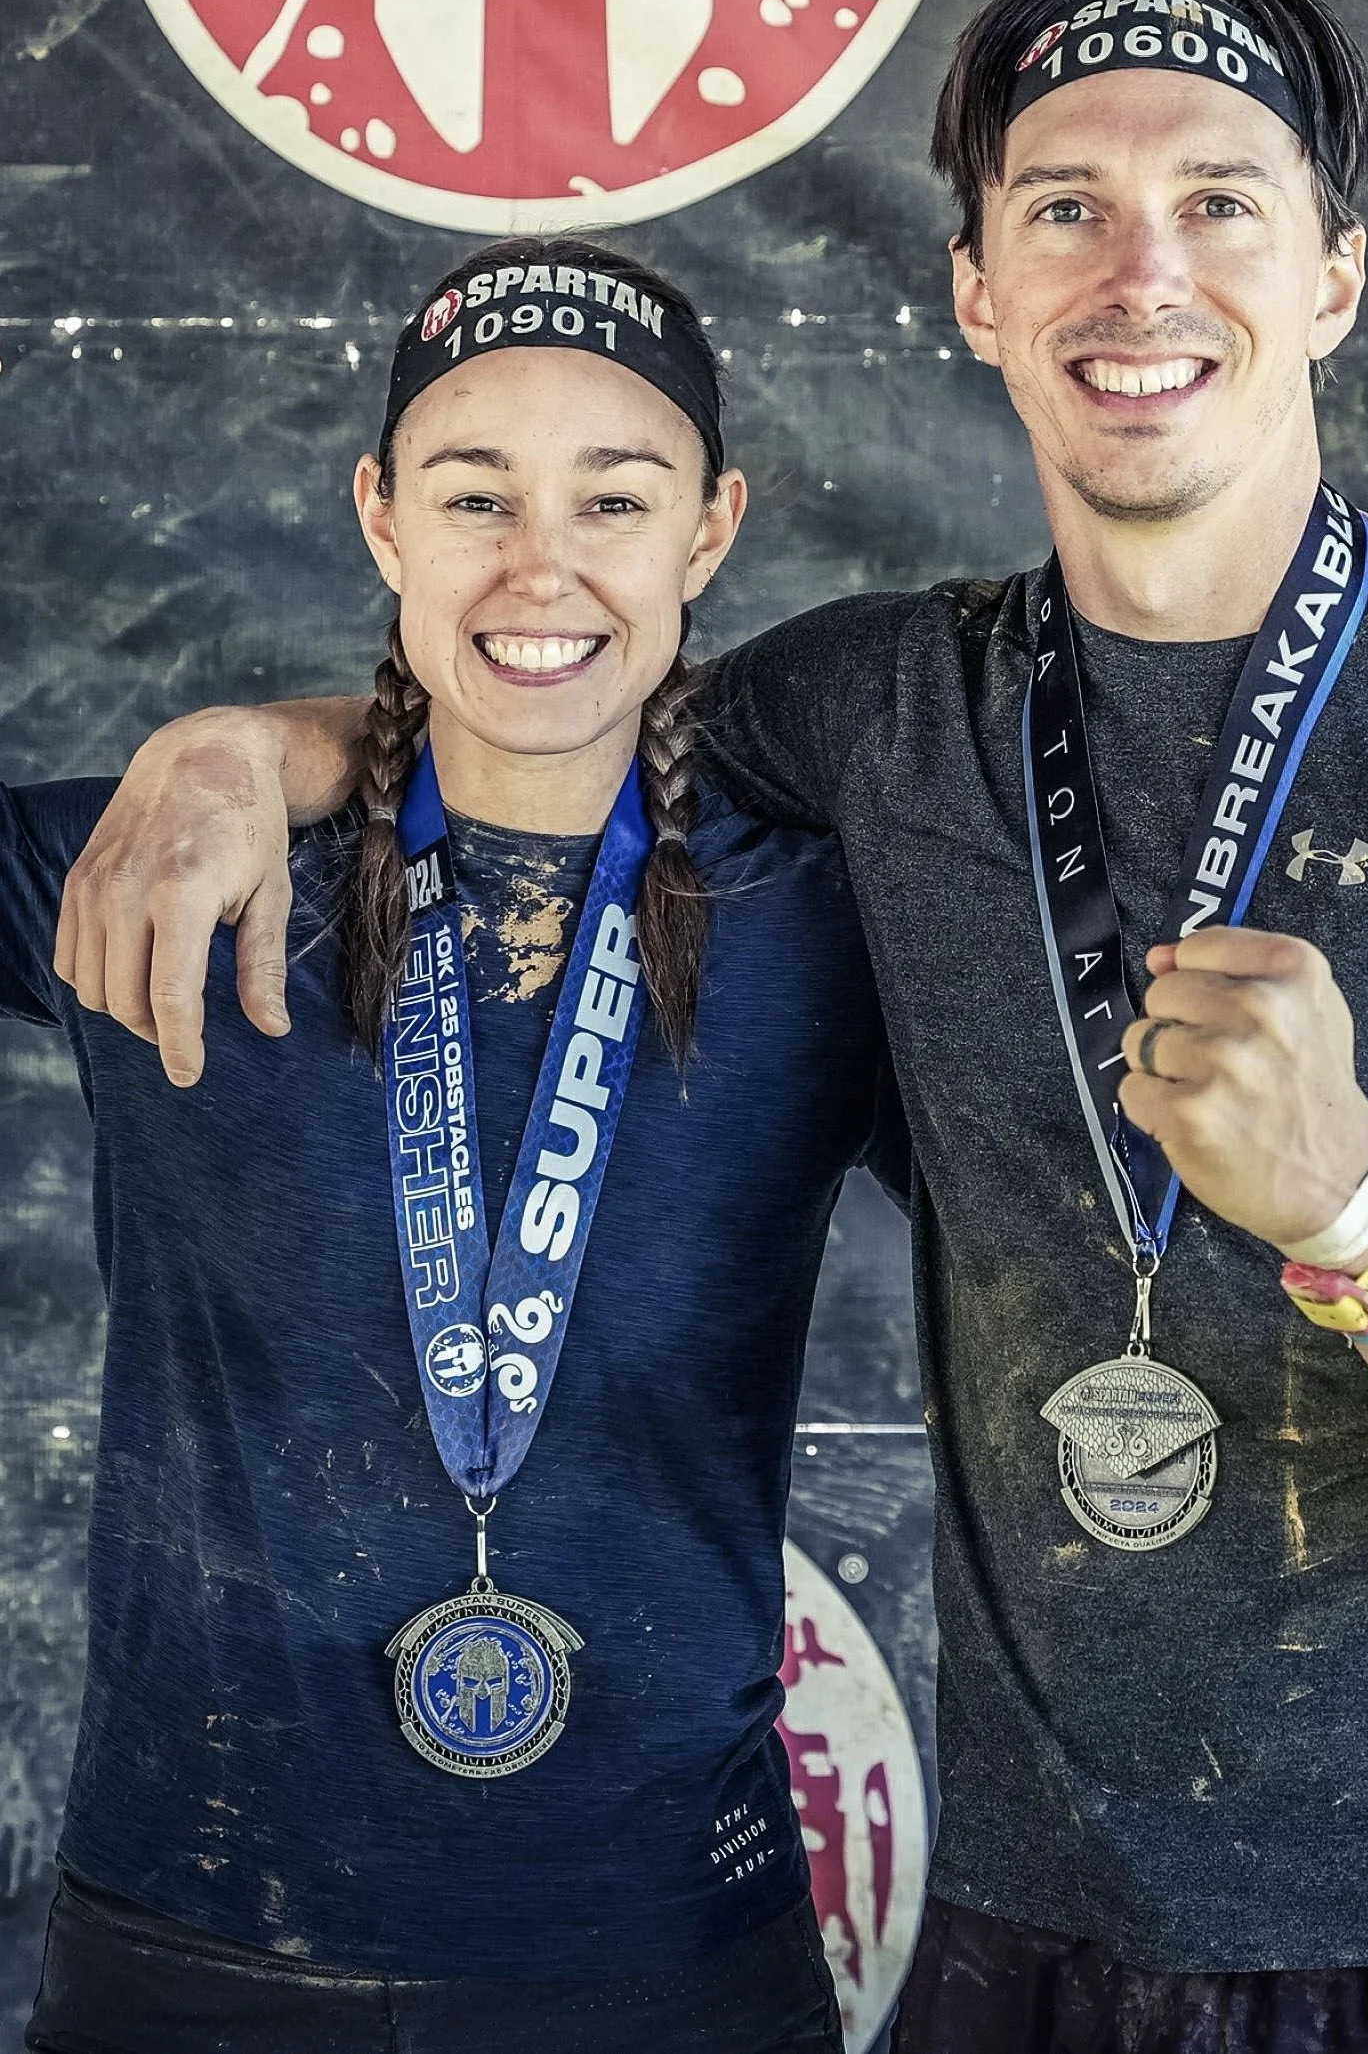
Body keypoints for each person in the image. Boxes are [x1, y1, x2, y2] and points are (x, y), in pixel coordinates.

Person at [62, 0, 1368, 2054]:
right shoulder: (874, 715)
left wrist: (1362, 1206)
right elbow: (536, 700)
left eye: (1218, 202)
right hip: (1035, 1932)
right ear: (978, 290)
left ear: (1334, 274)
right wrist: (253, 742)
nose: (1140, 273)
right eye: (1064, 207)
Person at [14, 237, 902, 2051]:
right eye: (474, 492)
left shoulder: (825, 926)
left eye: (616, 497)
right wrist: (210, 751)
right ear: (381, 516)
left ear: (709, 532)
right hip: (191, 1952)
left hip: (663, 1956)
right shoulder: (166, 868)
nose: (542, 563)